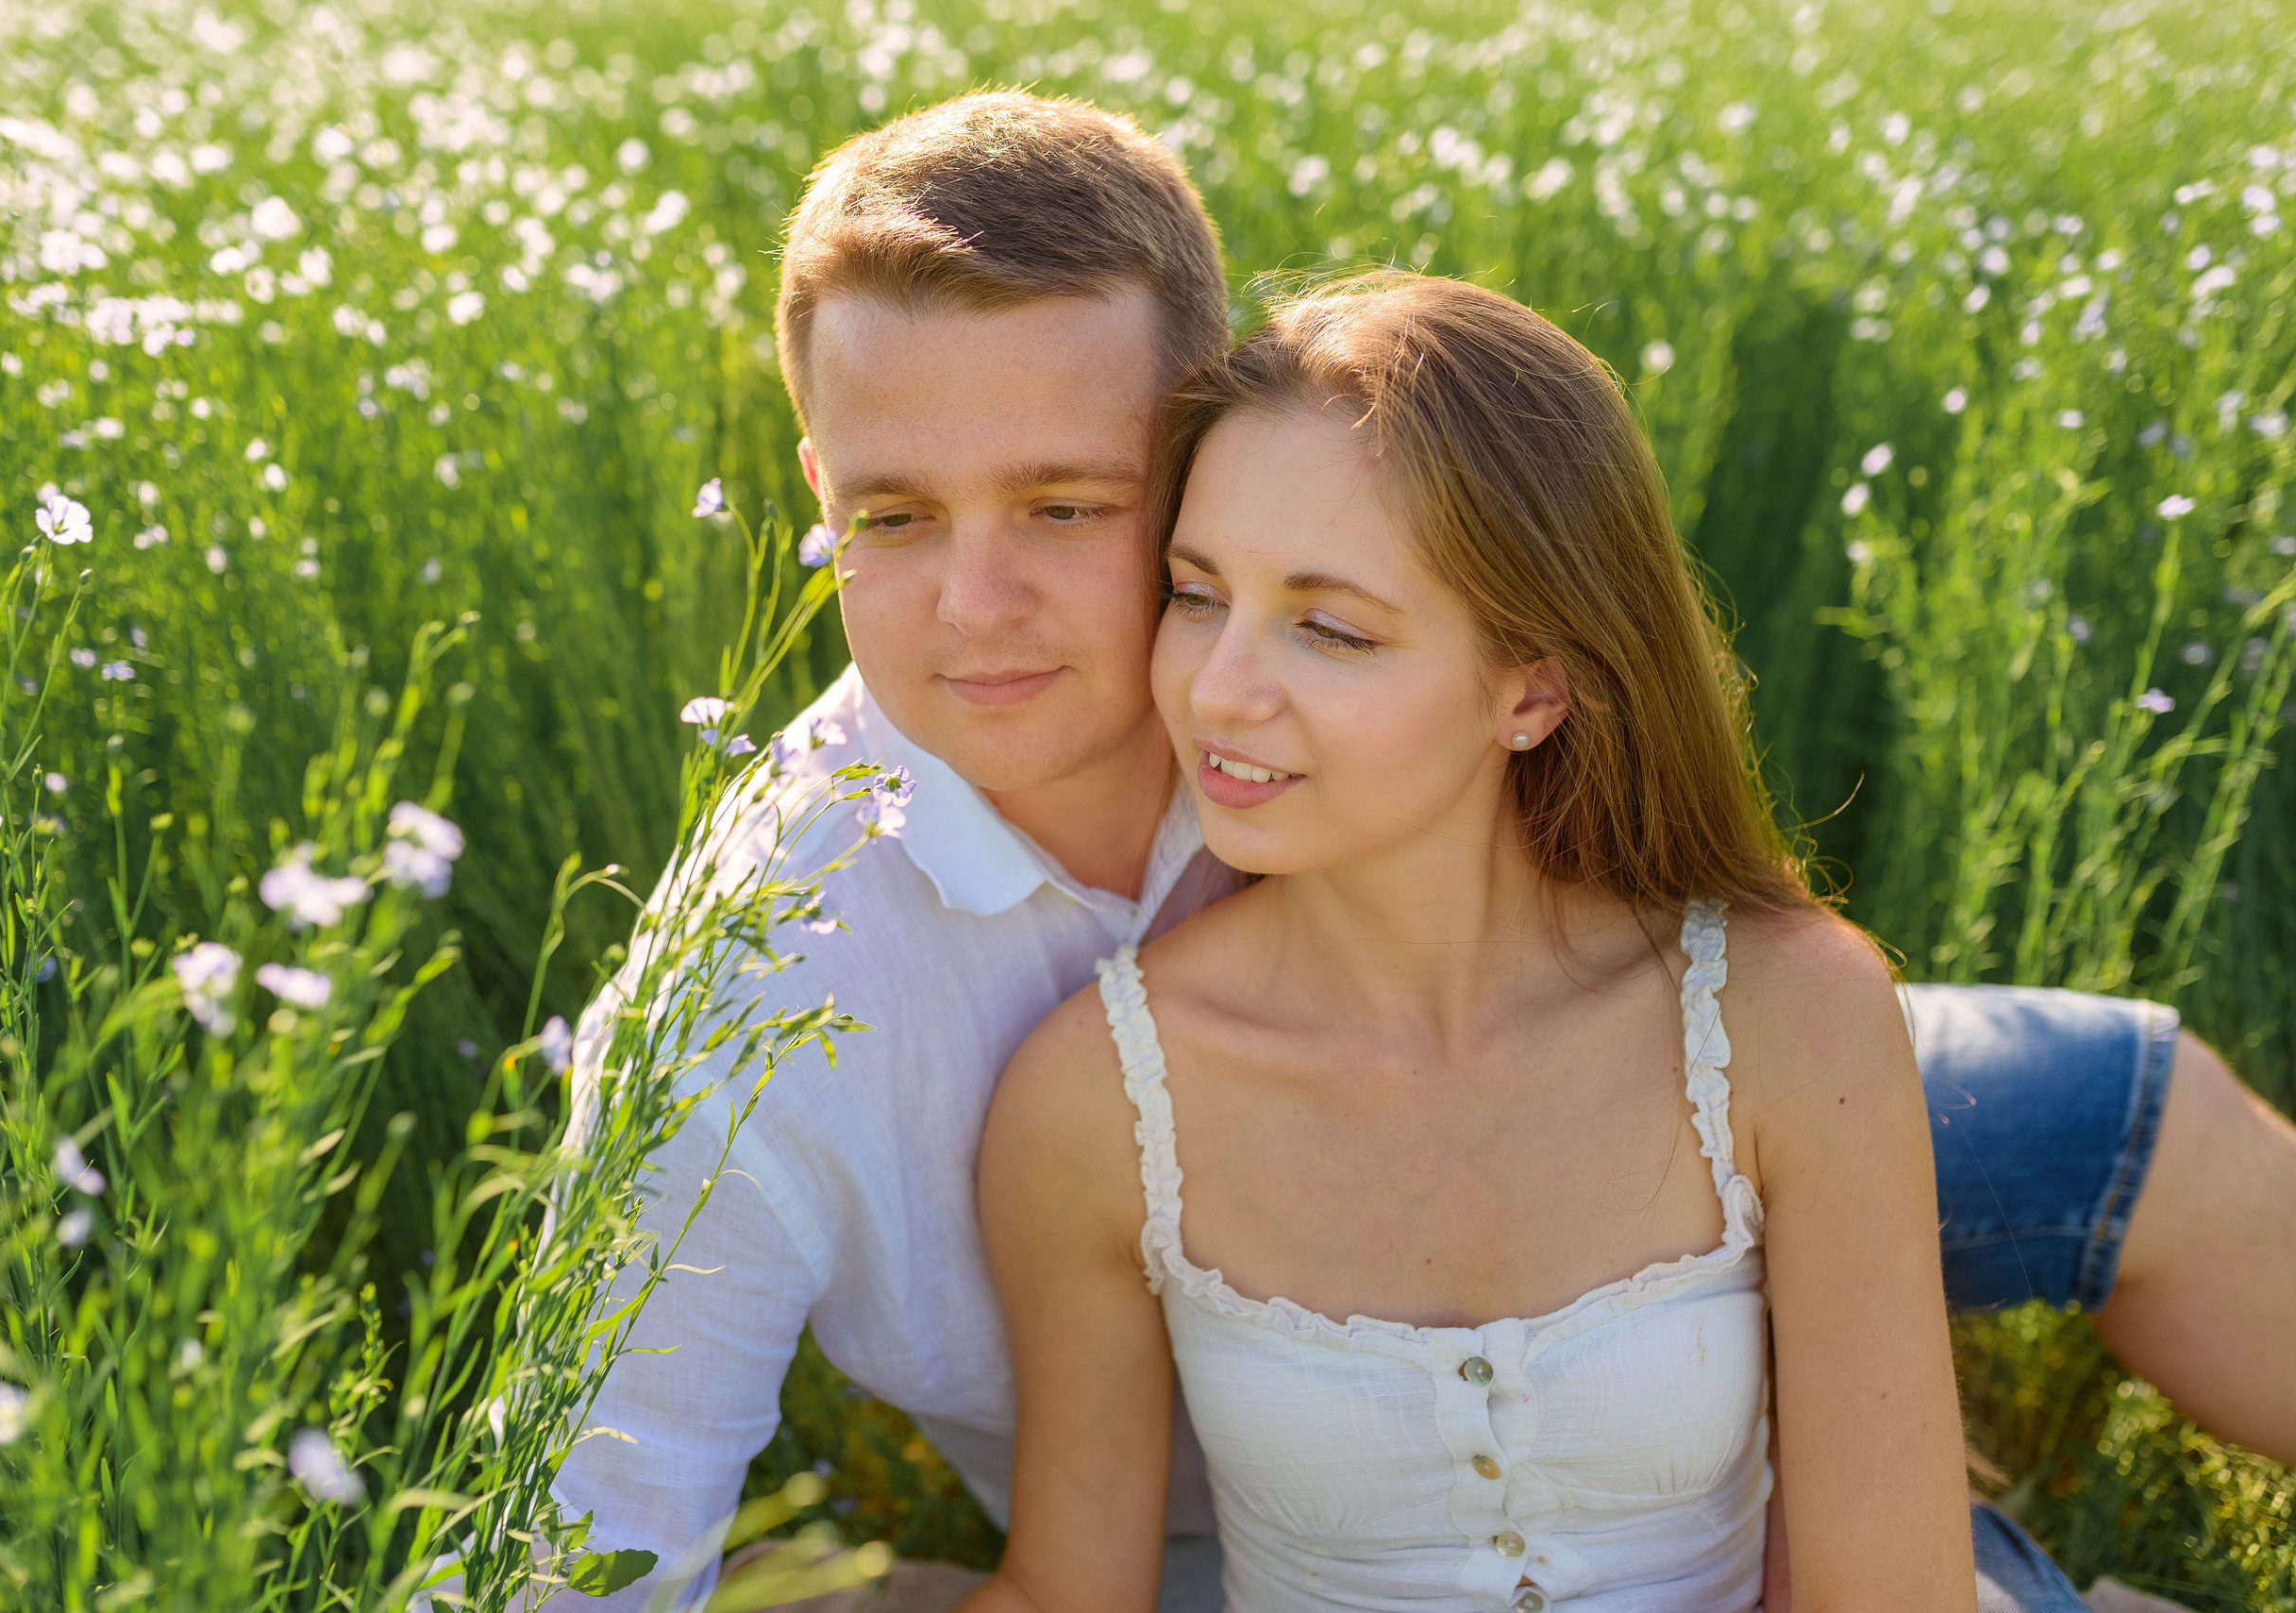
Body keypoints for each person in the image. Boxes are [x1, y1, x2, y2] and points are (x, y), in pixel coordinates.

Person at [545, 92, 2296, 1613]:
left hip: (1625, 1117)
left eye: (1069, 507)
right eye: (895, 516)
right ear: (818, 491)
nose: (977, 605)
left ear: (1193, 457)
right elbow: (588, 1540)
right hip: (1248, 1469)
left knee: (2116, 1109)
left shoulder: (1330, 641)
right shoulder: (747, 1003)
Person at [964, 268, 1977, 1610]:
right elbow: (1063, 1596)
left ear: (1534, 689)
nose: (1218, 689)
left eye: (1331, 629)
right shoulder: (1097, 1099)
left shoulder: (1790, 1019)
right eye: (1197, 595)